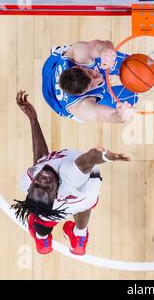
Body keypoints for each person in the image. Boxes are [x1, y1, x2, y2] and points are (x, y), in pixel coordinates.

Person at [12, 90, 130, 255]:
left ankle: (44, 240)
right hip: (86, 191)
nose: (42, 179)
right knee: (82, 201)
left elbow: (42, 161)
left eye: (36, 184)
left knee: (41, 219)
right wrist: (107, 156)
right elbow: (89, 159)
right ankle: (79, 236)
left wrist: (33, 119)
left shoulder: (30, 180)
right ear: (55, 195)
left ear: (31, 186)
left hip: (83, 196)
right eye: (46, 187)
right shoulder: (69, 176)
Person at [42, 40, 138, 123]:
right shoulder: (81, 107)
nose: (98, 78)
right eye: (92, 85)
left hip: (50, 66)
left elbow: (104, 44)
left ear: (77, 66)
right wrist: (121, 116)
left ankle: (60, 51)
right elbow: (110, 116)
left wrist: (105, 51)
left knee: (133, 65)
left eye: (90, 72)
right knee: (132, 98)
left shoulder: (78, 53)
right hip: (55, 100)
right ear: (83, 93)